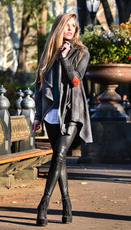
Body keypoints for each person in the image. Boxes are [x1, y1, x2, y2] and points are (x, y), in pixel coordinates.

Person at [32, 13, 93, 226]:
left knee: (58, 156)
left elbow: (76, 81)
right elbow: (40, 87)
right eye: (67, 25)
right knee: (60, 159)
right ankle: (67, 204)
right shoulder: (48, 54)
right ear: (59, 27)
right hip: (51, 114)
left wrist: (66, 59)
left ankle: (43, 205)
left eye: (73, 26)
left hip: (72, 113)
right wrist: (38, 116)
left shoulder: (81, 52)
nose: (70, 29)